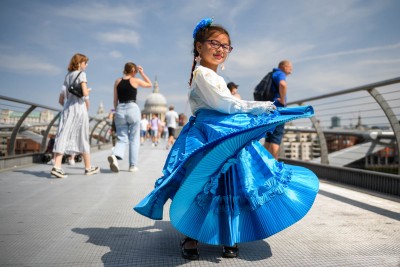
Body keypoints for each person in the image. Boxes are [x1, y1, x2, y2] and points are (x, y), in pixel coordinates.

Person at [134, 18, 318, 260]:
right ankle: (194, 234)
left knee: (225, 182)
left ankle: (221, 232)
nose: (221, 49)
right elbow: (225, 103)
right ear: (199, 47)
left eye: (226, 46)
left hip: (224, 132)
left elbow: (226, 103)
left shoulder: (208, 75)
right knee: (202, 182)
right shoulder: (202, 74)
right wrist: (261, 106)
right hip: (210, 134)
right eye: (215, 43)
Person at [51, 53, 99, 178]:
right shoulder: (82, 74)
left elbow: (61, 100)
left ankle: (57, 165)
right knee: (82, 136)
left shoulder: (67, 76)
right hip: (79, 109)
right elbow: (83, 93)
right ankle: (87, 168)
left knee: (63, 134)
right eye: (85, 63)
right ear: (79, 63)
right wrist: (87, 91)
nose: (86, 65)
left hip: (68, 108)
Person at [107, 62, 152, 173]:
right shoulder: (135, 80)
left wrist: (117, 111)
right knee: (134, 139)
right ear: (133, 70)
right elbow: (149, 84)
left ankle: (115, 155)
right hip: (132, 108)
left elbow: (115, 100)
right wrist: (142, 73)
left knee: (122, 137)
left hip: (120, 109)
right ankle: (132, 165)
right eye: (136, 71)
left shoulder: (117, 82)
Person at [263, 60, 293, 160]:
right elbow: (283, 84)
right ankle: (273, 169)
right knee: (276, 139)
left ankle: (260, 165)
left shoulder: (273, 74)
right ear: (283, 67)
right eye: (289, 66)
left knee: (269, 139)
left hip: (268, 110)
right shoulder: (280, 73)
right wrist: (283, 100)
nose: (291, 69)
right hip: (278, 109)